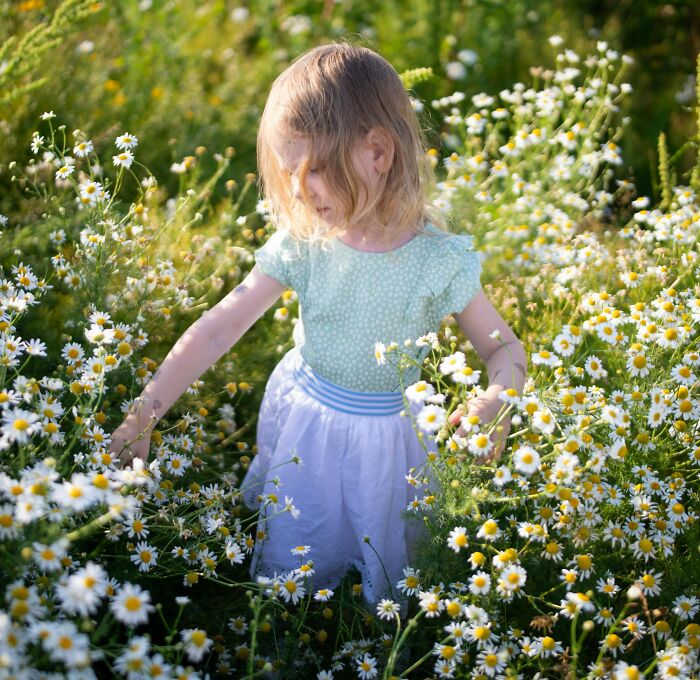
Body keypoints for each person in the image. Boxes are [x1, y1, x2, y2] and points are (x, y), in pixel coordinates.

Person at [109, 41, 527, 610]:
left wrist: (496, 403)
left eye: (313, 172)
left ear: (377, 151)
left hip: (391, 440)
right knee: (296, 560)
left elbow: (504, 350)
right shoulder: (307, 243)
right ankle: (282, 633)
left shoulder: (439, 260)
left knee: (388, 572)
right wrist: (144, 412)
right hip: (309, 426)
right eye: (289, 175)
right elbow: (217, 327)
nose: (300, 192)